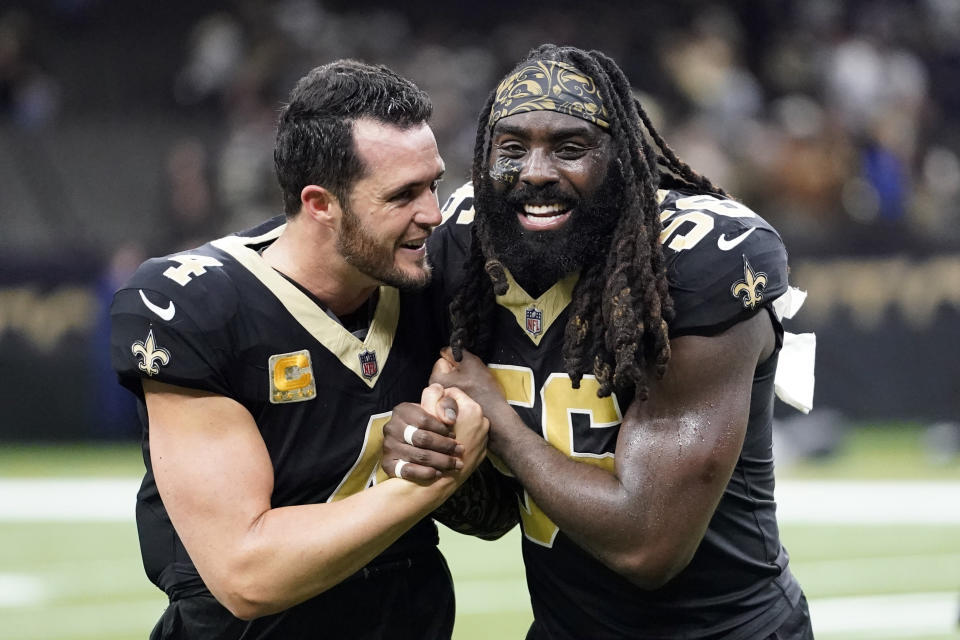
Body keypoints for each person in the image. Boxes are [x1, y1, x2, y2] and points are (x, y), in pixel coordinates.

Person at [383, 44, 815, 639]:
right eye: (512, 148)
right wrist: (436, 451)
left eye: (569, 147)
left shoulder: (696, 260)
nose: (535, 171)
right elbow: (497, 518)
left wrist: (499, 423)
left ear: (624, 157)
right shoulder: (465, 246)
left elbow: (647, 546)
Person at [109, 60, 490, 639]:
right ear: (320, 204)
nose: (432, 214)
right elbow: (247, 576)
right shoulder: (196, 305)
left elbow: (491, 519)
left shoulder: (433, 277)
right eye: (403, 194)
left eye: (434, 183)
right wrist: (430, 478)